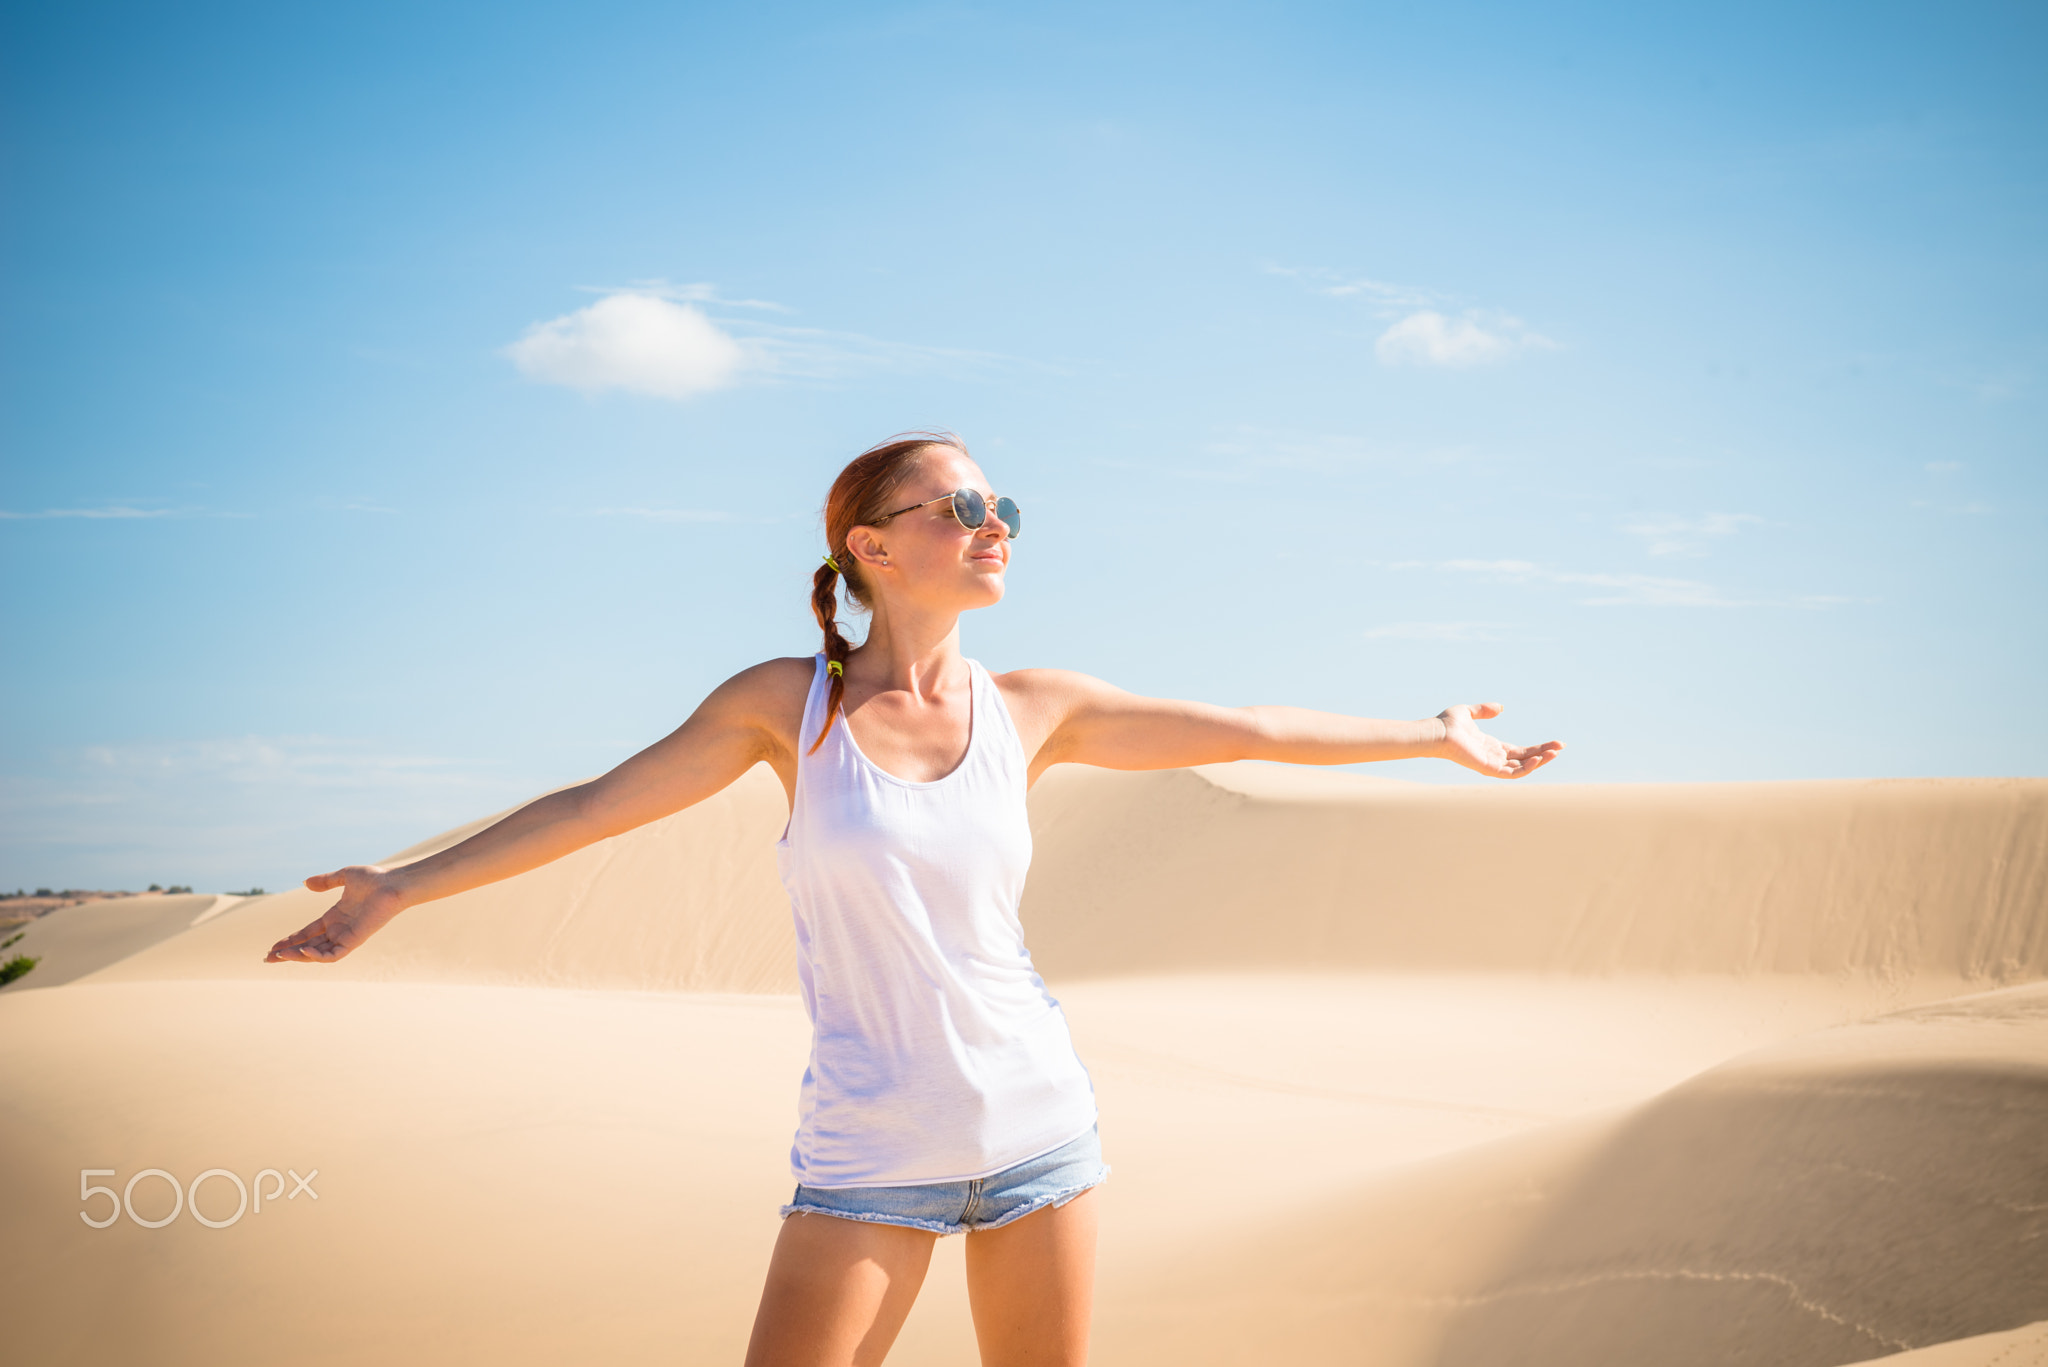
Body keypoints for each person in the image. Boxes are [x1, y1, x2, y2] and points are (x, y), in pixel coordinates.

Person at [265, 431, 1563, 1367]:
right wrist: (401, 885)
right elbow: (595, 808)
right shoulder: (788, 706)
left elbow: (1254, 727)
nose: (993, 523)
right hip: (869, 1158)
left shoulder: (1037, 707)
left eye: (1003, 503)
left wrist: (1429, 733)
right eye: (958, 507)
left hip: (1041, 1135)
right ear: (871, 547)